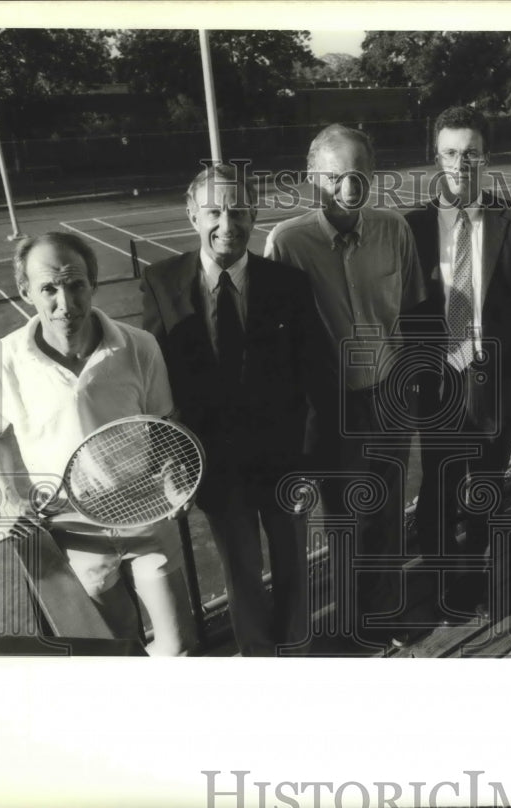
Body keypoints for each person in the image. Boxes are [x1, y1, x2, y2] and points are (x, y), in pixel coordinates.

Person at [0, 232, 196, 656]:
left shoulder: (139, 346)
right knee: (122, 645)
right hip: (71, 530)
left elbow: (164, 425)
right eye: (49, 288)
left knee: (178, 647)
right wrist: (7, 499)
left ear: (93, 282)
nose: (65, 303)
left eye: (76, 285)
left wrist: (171, 476)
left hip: (146, 514)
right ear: (25, 292)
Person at [142, 164, 328, 656]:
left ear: (255, 214)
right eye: (215, 211)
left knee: (293, 562)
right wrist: (171, 458)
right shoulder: (161, 282)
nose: (228, 223)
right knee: (241, 569)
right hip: (214, 465)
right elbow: (156, 380)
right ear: (191, 214)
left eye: (240, 210)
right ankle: (258, 655)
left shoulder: (288, 283)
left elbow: (315, 375)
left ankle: (294, 649)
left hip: (284, 460)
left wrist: (308, 460)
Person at [264, 124, 427, 650]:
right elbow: (278, 342)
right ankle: (352, 624)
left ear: (372, 174)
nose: (348, 186)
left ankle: (383, 614)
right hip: (335, 409)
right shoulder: (288, 242)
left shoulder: (394, 230)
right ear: (314, 177)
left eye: (358, 173)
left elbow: (411, 312)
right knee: (345, 523)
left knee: (388, 513)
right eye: (335, 176)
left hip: (390, 397)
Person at [405, 106, 511, 624]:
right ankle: (443, 580)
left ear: (486, 158)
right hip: (438, 377)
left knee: (484, 487)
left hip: (496, 378)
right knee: (438, 489)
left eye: (471, 153)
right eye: (449, 152)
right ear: (436, 156)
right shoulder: (414, 226)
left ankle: (474, 575)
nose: (460, 163)